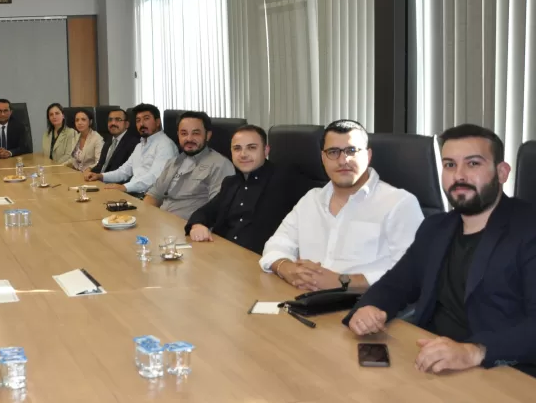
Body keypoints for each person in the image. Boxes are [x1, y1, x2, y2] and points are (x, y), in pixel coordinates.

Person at [346, 125, 536, 376]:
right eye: (449, 165)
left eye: (473, 164)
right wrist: (369, 307)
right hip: (433, 362)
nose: (459, 176)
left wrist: (475, 351)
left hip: (502, 372)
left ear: (502, 172)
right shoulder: (436, 227)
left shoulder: (528, 229)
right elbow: (396, 284)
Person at [259, 119, 424, 291]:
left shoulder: (399, 203)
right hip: (304, 297)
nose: (343, 160)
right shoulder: (311, 200)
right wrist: (287, 268)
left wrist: (344, 282)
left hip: (365, 302)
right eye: (333, 152)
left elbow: (413, 272)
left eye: (351, 151)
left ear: (368, 155)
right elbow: (276, 244)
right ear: (323, 158)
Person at [185, 125, 313, 254]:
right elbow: (204, 212)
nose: (243, 154)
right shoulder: (231, 183)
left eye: (251, 148)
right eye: (237, 148)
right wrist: (197, 225)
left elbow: (312, 220)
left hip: (261, 259)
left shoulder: (286, 179)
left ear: (266, 150)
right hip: (224, 255)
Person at [143, 111, 234, 219]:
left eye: (196, 133)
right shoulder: (172, 162)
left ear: (208, 135)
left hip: (188, 226)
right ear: (178, 135)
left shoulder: (220, 165)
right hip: (160, 222)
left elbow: (219, 209)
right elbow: (154, 196)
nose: (189, 139)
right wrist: (143, 217)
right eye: (184, 133)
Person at [82, 104, 177, 195]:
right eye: (138, 120)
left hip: (149, 197)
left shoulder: (165, 145)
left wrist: (124, 187)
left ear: (157, 122)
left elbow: (155, 177)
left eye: (146, 119)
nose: (141, 124)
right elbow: (123, 171)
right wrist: (100, 176)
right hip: (134, 193)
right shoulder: (140, 146)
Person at [91, 108, 138, 175]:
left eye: (118, 119)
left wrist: (101, 177)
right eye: (110, 120)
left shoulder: (133, 144)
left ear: (127, 124)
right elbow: (101, 165)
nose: (113, 123)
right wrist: (90, 172)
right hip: (99, 179)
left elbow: (127, 174)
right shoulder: (109, 140)